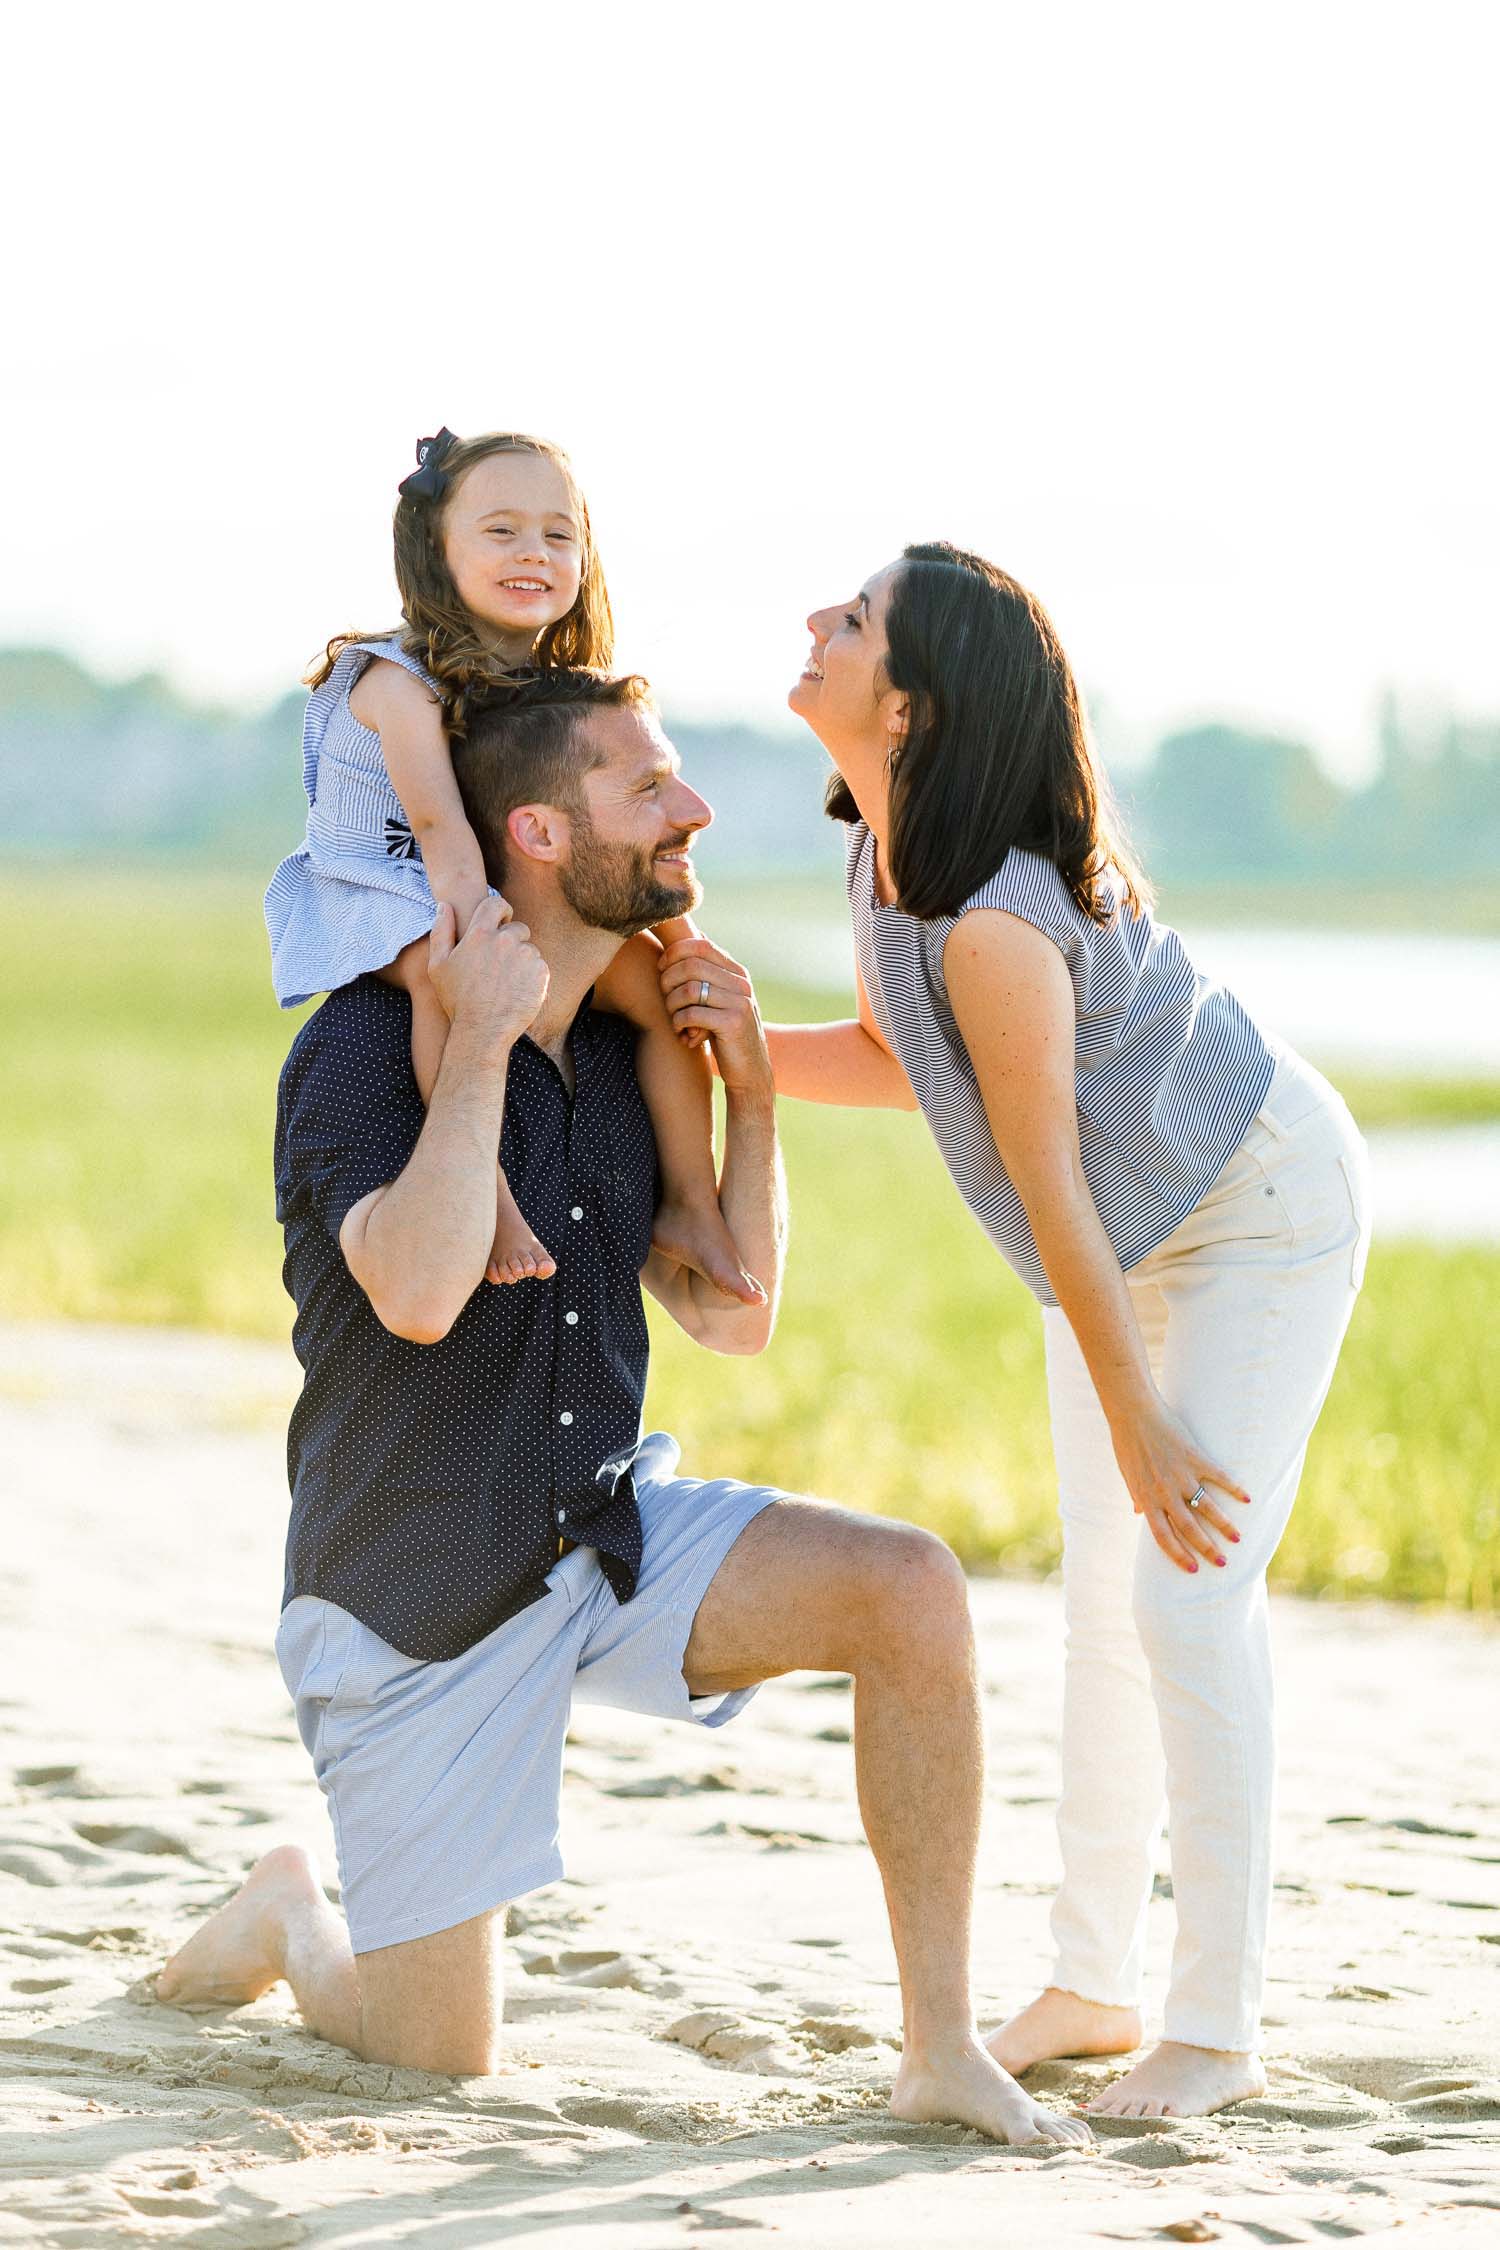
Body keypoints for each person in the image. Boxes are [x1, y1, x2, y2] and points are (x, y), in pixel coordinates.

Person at [159, 667, 1089, 2151]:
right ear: (534, 828)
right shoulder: (352, 1047)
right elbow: (410, 1291)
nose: (696, 808)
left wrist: (757, 1095)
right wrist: (477, 1038)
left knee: (910, 1587)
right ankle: (291, 1915)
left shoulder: (624, 1049)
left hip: (600, 1533)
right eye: (649, 787)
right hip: (414, 1601)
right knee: (432, 2055)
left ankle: (940, 2045)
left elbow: (735, 1313)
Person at [727, 543, 1371, 2120]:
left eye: (857, 619)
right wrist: (737, 1043)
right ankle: (1093, 1983)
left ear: (917, 703)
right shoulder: (889, 857)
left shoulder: (1000, 919)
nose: (819, 620)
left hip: (1257, 1207)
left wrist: (1147, 1418)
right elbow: (901, 1061)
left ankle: (1211, 2032)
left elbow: (1050, 1184)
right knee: (1105, 1602)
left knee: (1187, 1594)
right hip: (1124, 1236)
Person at [264, 426, 758, 1303]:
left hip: (471, 871)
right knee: (441, 980)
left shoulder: (549, 683)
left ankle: (688, 1200)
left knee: (652, 988)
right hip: (385, 883)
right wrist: (479, 939)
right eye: (501, 531)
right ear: (435, 547)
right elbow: (439, 832)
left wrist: (682, 941)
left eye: (558, 535)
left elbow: (614, 827)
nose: (534, 553)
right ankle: (487, 1197)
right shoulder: (397, 678)